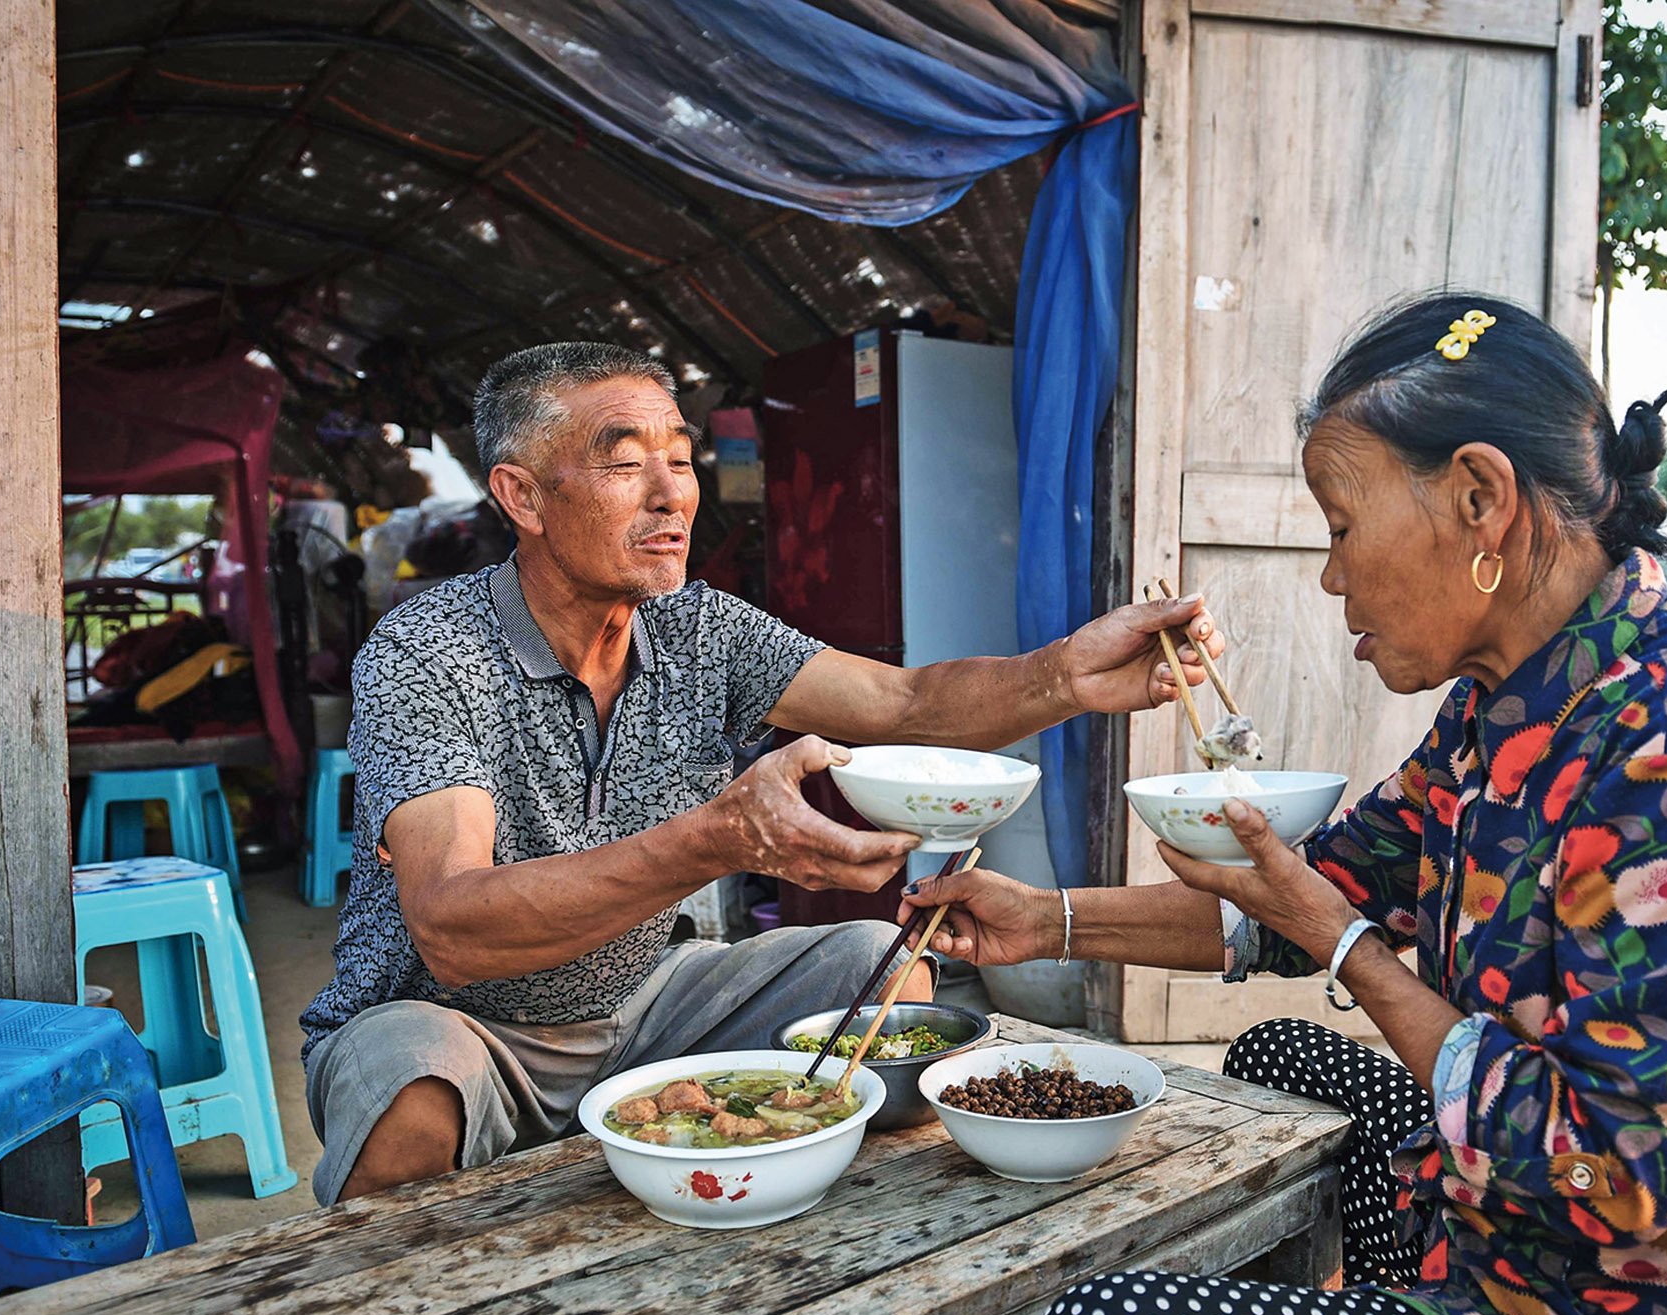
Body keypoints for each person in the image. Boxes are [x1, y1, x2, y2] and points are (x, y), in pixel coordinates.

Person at [902, 295, 1667, 1315]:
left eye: (1340, 526)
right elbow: (1306, 893)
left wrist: (1351, 948)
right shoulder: (1506, 704)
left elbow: (1612, 1178)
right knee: (1279, 1055)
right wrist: (1042, 919)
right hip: (1509, 1230)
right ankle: (1369, 1309)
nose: (1332, 575)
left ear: (1481, 499)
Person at [300, 341, 1224, 1205]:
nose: (673, 497)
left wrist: (1066, 673)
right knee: (406, 1083)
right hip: (464, 1025)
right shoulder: (428, 652)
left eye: (680, 459)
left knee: (882, 965)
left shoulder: (703, 630)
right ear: (524, 497)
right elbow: (454, 927)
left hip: (647, 1005)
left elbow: (905, 705)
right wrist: (716, 839)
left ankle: (815, 1267)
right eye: (626, 465)